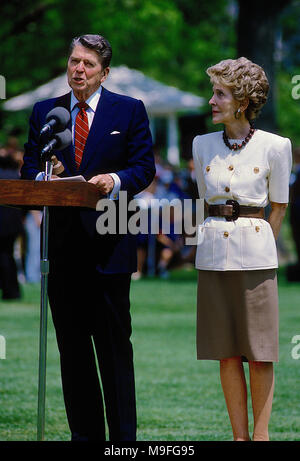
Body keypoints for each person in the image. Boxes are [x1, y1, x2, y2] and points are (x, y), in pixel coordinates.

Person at [21, 34, 155, 441]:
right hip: (61, 252)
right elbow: (29, 168)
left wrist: (113, 180)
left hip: (110, 245)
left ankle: (123, 443)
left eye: (88, 64)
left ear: (104, 72)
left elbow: (143, 167)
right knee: (73, 354)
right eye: (74, 61)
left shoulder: (129, 110)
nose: (78, 69)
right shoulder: (47, 112)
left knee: (114, 352)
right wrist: (47, 179)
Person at [192, 57, 292, 441]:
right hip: (213, 257)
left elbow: (279, 205)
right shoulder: (201, 145)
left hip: (257, 261)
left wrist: (261, 243)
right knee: (226, 352)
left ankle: (261, 437)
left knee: (260, 352)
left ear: (243, 101)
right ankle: (239, 437)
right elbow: (205, 200)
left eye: (220, 93)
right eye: (213, 91)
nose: (212, 100)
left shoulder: (276, 146)